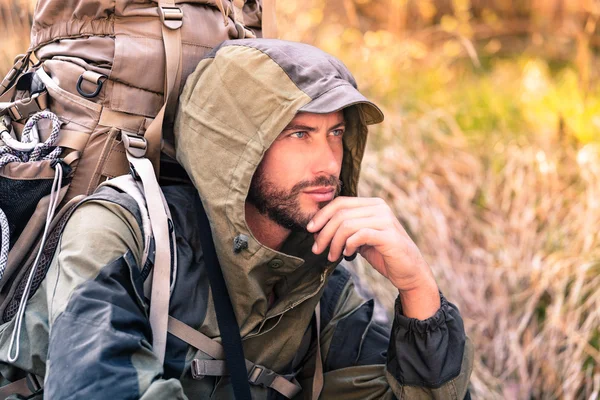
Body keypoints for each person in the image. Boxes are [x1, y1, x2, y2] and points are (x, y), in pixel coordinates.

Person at [0, 39, 473, 399]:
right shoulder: (123, 234)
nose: (328, 162)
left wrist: (418, 291)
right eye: (300, 133)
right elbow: (97, 387)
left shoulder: (316, 279)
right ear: (235, 146)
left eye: (335, 133)